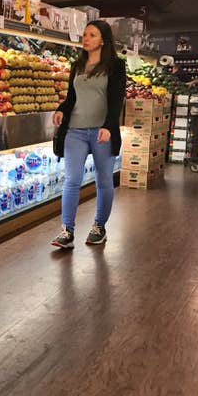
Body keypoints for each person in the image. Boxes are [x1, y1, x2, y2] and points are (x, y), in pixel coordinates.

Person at [51, 20, 126, 249]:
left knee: (104, 181)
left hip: (102, 131)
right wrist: (61, 110)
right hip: (75, 131)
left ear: (103, 39)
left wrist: (109, 125)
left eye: (91, 35)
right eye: (84, 34)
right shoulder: (77, 65)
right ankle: (67, 231)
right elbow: (72, 97)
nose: (86, 38)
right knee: (72, 180)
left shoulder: (115, 65)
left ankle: (99, 227)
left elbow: (116, 100)